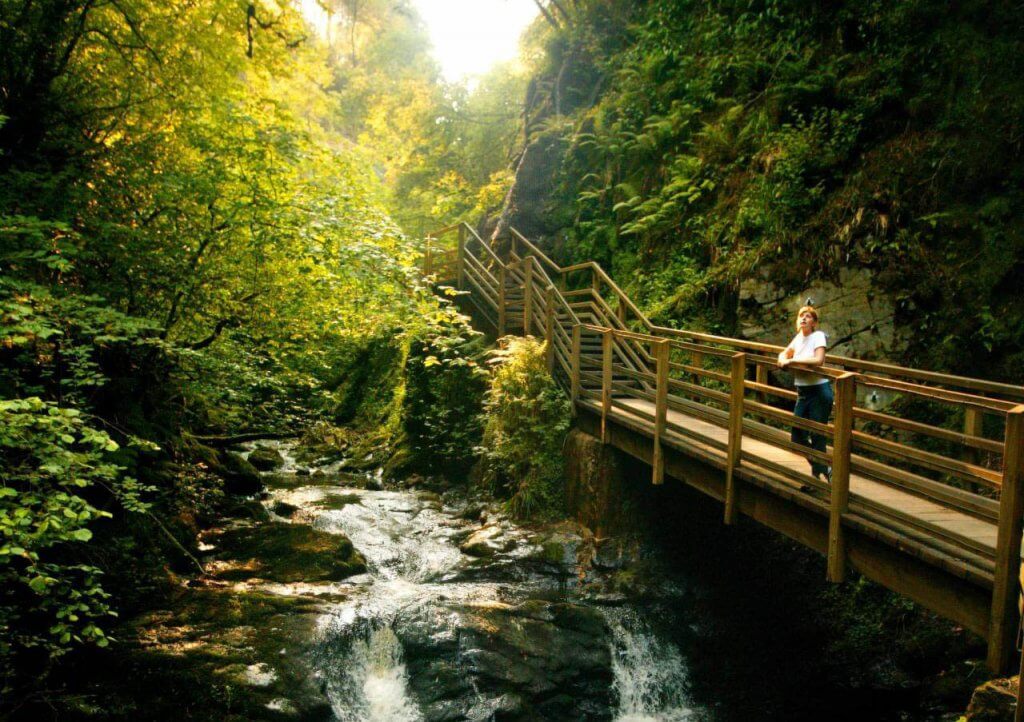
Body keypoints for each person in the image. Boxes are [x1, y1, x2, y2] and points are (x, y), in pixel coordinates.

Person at [777, 304, 833, 483]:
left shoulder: (818, 336)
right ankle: (824, 469)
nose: (804, 318)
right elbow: (783, 354)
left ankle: (817, 478)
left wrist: (792, 361)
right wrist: (782, 359)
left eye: (808, 316)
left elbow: (818, 360)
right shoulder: (798, 337)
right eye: (801, 315)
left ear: (814, 322)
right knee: (797, 435)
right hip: (803, 392)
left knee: (817, 434)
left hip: (819, 391)